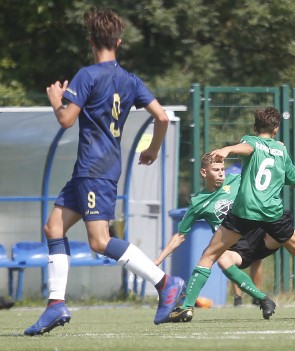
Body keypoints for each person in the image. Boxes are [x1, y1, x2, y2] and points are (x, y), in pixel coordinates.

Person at [24, 9, 184, 336]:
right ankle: (56, 304)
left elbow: (66, 119)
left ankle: (165, 283)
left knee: (99, 241)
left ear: (91, 41)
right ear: (119, 42)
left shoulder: (87, 75)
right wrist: (153, 149)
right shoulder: (130, 79)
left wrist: (57, 100)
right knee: (53, 226)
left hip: (94, 169)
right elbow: (163, 118)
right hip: (93, 170)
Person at [166, 107, 295, 320]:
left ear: (255, 128)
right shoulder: (282, 152)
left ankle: (187, 306)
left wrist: (227, 150)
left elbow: (245, 147)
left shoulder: (252, 141)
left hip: (245, 211)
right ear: (276, 129)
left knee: (209, 255)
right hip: (272, 212)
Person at [154, 154, 295, 321]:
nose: (221, 173)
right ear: (203, 172)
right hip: (237, 247)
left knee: (288, 235)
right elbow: (180, 235)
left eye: (222, 169)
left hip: (259, 233)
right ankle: (263, 299)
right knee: (222, 258)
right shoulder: (198, 202)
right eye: (215, 170)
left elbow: (269, 179)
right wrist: (157, 261)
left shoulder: (237, 180)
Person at [223, 158, 263, 307]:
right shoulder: (230, 171)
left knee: (257, 256)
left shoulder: (258, 168)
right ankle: (238, 296)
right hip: (236, 217)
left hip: (254, 215)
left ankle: (257, 295)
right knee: (232, 255)